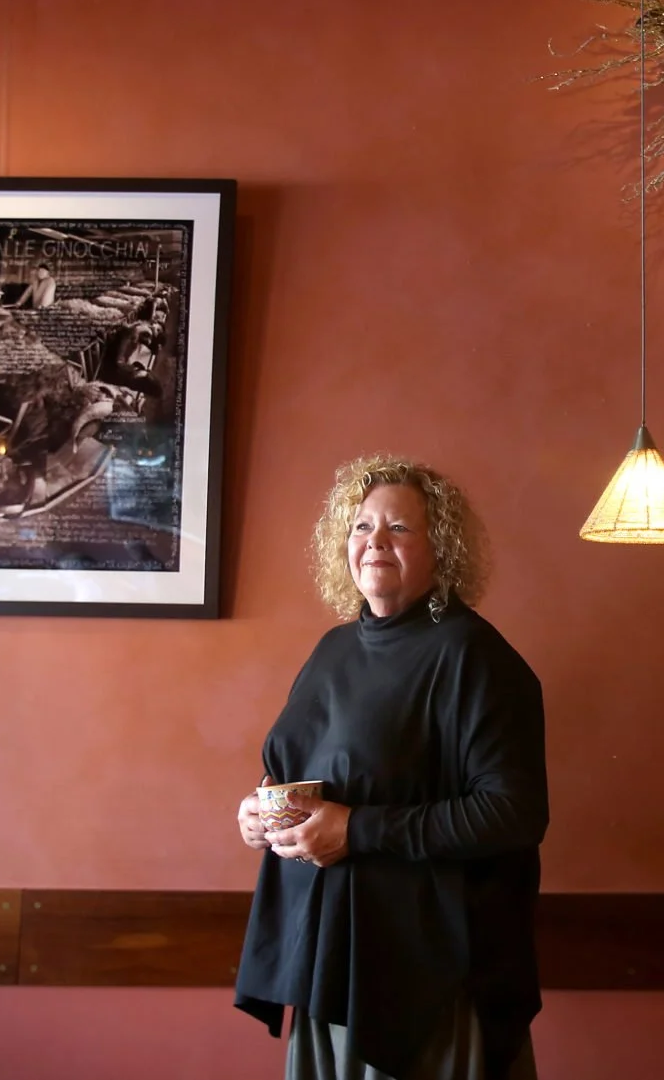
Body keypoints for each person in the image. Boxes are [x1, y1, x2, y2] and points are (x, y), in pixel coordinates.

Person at [234, 456, 549, 1080]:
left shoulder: (474, 657)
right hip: (331, 958)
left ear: (442, 549)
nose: (375, 541)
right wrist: (259, 814)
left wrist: (356, 829)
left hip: (426, 976)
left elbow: (515, 814)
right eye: (361, 527)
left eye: (399, 529)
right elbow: (295, 770)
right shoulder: (333, 649)